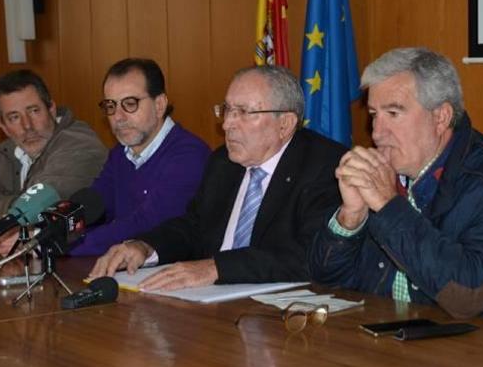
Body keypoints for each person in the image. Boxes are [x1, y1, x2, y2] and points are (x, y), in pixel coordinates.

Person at [307, 47, 483, 320]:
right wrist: (351, 216)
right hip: (381, 341)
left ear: (441, 117)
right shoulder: (384, 170)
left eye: (393, 113)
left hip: (471, 351)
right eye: (374, 114)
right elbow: (324, 280)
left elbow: (467, 295)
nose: (376, 132)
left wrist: (388, 206)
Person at [89, 65, 346, 290]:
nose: (227, 124)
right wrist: (145, 247)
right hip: (210, 305)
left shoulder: (325, 167)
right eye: (227, 110)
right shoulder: (223, 162)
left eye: (244, 112)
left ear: (285, 123)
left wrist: (216, 268)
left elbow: (308, 255)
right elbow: (194, 226)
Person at [44, 58, 209, 257]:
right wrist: (43, 233)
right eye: (111, 106)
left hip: (175, 276)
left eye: (130, 104)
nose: (118, 117)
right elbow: (95, 208)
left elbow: (145, 225)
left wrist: (61, 246)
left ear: (159, 105)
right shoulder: (121, 153)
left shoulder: (189, 156)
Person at [0, 69, 107, 231]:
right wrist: (11, 207)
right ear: (2, 126)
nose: (27, 126)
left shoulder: (80, 146)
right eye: (14, 117)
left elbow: (40, 208)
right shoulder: (5, 155)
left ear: (51, 109)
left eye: (34, 111)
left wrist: (8, 210)